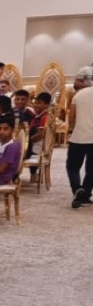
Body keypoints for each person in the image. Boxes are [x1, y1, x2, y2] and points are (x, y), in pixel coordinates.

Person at [68, 66, 93, 208]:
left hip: (78, 137)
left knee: (72, 167)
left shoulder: (79, 95)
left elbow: (71, 117)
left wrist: (71, 130)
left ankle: (77, 189)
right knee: (91, 170)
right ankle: (85, 195)